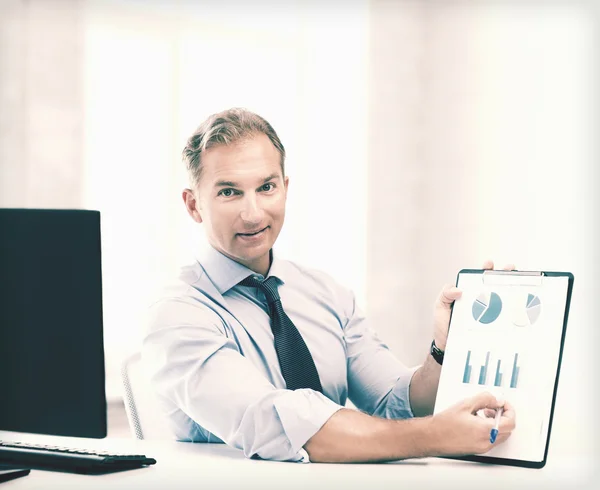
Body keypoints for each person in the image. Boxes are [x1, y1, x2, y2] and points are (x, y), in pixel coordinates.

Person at [142, 107, 516, 463]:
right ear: (193, 205)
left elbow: (397, 401)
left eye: (266, 187)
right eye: (229, 192)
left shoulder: (326, 294)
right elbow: (281, 424)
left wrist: (443, 349)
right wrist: (434, 436)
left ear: (285, 188)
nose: (253, 213)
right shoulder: (178, 314)